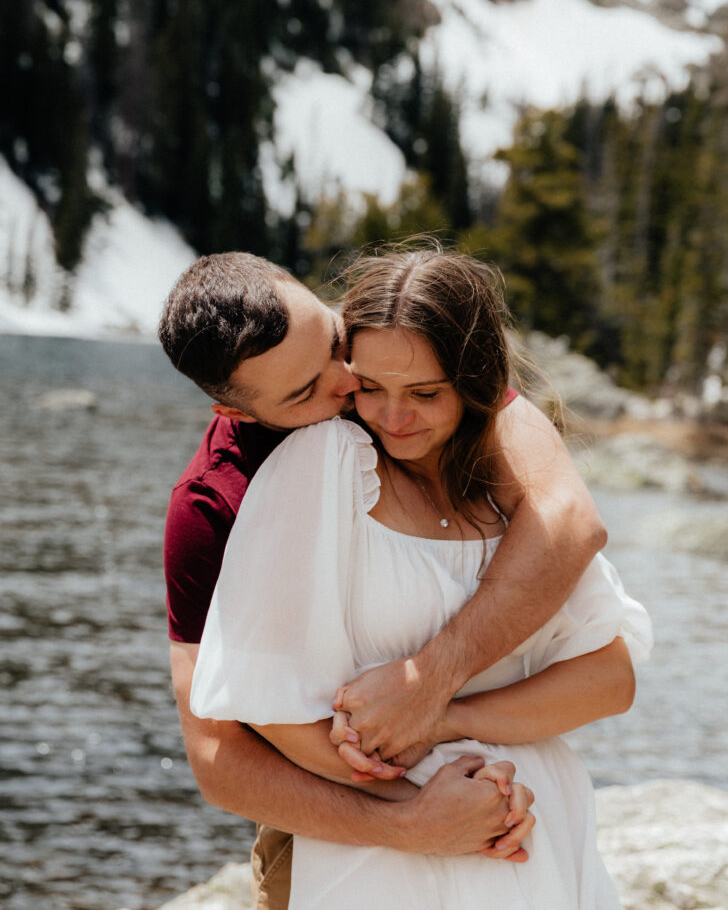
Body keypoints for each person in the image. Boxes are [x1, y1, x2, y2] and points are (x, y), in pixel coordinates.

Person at [189, 249, 652, 909]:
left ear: (475, 382)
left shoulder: (507, 485)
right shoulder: (323, 465)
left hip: (536, 822)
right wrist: (422, 810)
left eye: (426, 393)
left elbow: (609, 681)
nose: (392, 416)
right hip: (389, 851)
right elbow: (263, 705)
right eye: (371, 387)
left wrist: (441, 715)